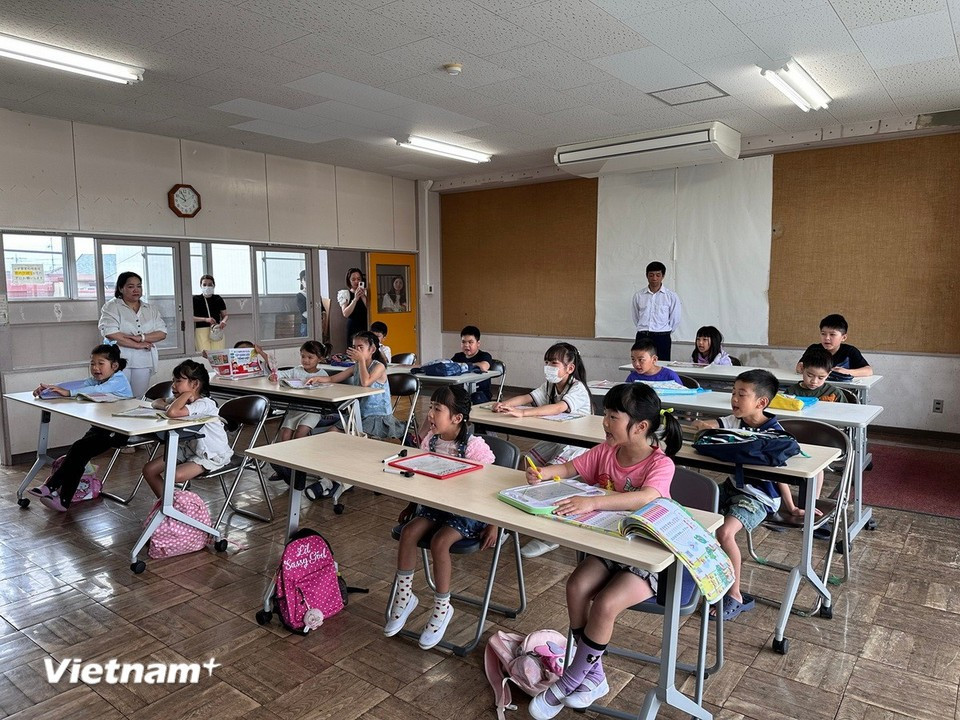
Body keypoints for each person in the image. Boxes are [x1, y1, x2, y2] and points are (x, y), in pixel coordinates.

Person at [524, 383, 683, 719]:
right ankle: (591, 674)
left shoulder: (660, 463)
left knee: (606, 604)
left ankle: (569, 680)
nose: (605, 422)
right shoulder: (605, 451)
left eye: (612, 416)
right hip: (611, 548)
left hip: (649, 558)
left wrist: (593, 501)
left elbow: (648, 496)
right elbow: (571, 469)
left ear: (640, 426)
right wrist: (544, 474)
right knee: (577, 586)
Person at [385, 386, 498, 649]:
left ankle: (442, 606)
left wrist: (494, 523)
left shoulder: (474, 447)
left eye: (438, 409)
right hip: (436, 506)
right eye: (431, 407)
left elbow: (496, 485)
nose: (430, 414)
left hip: (468, 511)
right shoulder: (430, 441)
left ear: (457, 418)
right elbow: (423, 475)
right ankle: (405, 596)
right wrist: (412, 505)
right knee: (409, 532)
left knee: (440, 542)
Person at [692, 369, 784, 621]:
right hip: (734, 486)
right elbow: (716, 424)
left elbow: (782, 475)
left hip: (759, 497)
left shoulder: (775, 433)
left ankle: (735, 595)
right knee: (691, 517)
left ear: (761, 402)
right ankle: (703, 580)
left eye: (741, 394)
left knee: (724, 532)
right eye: (733, 392)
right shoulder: (736, 421)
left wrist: (791, 506)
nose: (734, 398)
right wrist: (704, 425)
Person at [492, 342, 591, 558]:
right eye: (546, 362)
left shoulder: (578, 388)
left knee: (550, 477)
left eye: (553, 363)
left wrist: (523, 413)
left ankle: (550, 535)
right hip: (557, 438)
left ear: (570, 368)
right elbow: (529, 397)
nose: (548, 367)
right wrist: (506, 404)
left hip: (577, 445)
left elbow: (558, 408)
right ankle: (512, 522)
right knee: (524, 463)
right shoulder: (549, 384)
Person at [28, 345, 134, 511]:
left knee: (78, 449)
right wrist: (51, 388)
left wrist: (67, 393)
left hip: (119, 431)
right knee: (78, 452)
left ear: (114, 366)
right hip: (101, 427)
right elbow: (78, 384)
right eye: (92, 364)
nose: (95, 368)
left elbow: (94, 391)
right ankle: (55, 492)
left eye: (100, 363)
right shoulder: (99, 379)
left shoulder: (117, 380)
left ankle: (58, 492)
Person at [142, 360, 231, 498]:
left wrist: (184, 395)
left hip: (211, 454)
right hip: (191, 448)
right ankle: (171, 509)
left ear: (195, 384)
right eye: (173, 381)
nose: (173, 385)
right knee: (149, 470)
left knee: (174, 475)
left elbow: (172, 413)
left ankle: (177, 508)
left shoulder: (205, 404)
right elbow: (155, 402)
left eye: (178, 381)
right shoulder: (180, 402)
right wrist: (171, 405)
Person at [306, 330, 405, 439]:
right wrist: (317, 378)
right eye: (354, 347)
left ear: (372, 350)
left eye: (360, 347)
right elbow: (333, 378)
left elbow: (365, 382)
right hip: (359, 413)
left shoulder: (379, 366)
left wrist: (361, 360)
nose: (356, 350)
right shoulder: (356, 366)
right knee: (331, 433)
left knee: (358, 439)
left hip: (376, 417)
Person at [265, 341, 330, 482]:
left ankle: (299, 467)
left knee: (300, 435)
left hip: (313, 410)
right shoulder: (296, 370)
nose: (305, 360)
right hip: (295, 410)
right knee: (285, 435)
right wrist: (273, 377)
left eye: (310, 357)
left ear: (320, 358)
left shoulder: (323, 374)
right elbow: (279, 374)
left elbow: (329, 391)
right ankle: (286, 467)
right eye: (303, 356)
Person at [98, 271, 167, 399]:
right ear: (121, 288)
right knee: (116, 397)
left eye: (139, 286)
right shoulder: (112, 307)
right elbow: (111, 333)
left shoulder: (150, 309)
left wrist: (142, 338)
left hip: (144, 360)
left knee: (138, 398)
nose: (136, 290)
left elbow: (162, 333)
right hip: (119, 359)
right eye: (131, 286)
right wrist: (138, 345)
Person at [631, 261, 681, 361]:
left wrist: (664, 331)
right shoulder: (639, 295)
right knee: (640, 363)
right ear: (647, 276)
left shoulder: (671, 296)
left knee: (662, 365)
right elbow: (636, 317)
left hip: (662, 337)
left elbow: (675, 319)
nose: (654, 278)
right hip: (643, 335)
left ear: (663, 276)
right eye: (651, 275)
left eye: (658, 275)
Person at [796, 314, 872, 379]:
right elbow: (800, 366)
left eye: (832, 334)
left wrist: (847, 372)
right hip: (816, 388)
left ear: (844, 337)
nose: (827, 338)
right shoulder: (814, 349)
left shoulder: (850, 351)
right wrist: (801, 368)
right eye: (823, 334)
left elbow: (868, 370)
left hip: (843, 389)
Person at [451, 325, 493, 404]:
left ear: (478, 343)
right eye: (463, 342)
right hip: (461, 392)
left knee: (475, 397)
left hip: (480, 394)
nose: (466, 345)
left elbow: (484, 367)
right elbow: (448, 367)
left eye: (470, 342)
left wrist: (466, 366)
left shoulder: (484, 355)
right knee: (446, 395)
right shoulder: (458, 356)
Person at [192, 274, 228, 353]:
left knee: (219, 354)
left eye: (210, 285)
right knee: (205, 354)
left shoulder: (218, 299)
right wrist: (205, 319)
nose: (207, 287)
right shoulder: (195, 299)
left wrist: (223, 321)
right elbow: (190, 317)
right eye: (204, 284)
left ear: (214, 285)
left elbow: (225, 315)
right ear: (200, 286)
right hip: (201, 330)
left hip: (217, 329)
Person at [337, 267, 368, 347]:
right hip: (353, 326)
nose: (356, 281)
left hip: (366, 325)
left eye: (358, 279)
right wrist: (355, 299)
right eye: (353, 279)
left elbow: (370, 310)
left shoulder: (367, 292)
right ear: (349, 281)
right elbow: (345, 313)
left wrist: (363, 296)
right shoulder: (345, 293)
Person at [297, 270, 309, 337]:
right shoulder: (300, 295)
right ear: (301, 281)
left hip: (319, 324)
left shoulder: (316, 294)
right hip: (306, 325)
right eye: (305, 279)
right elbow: (304, 313)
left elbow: (322, 309)